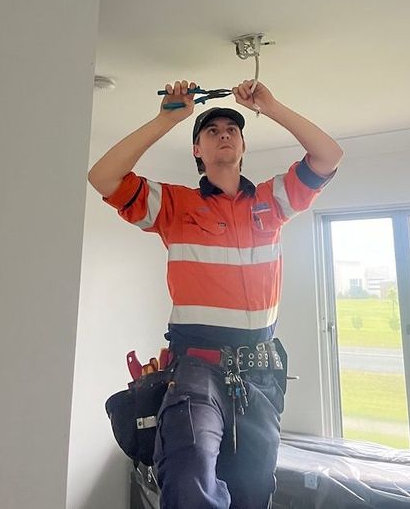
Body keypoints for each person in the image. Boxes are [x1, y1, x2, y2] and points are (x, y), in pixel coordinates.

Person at [88, 78, 343, 509]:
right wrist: (167, 118)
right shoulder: (176, 206)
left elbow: (328, 155)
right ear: (197, 152)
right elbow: (103, 176)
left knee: (251, 493)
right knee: (189, 480)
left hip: (259, 374)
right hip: (196, 369)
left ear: (242, 146)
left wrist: (273, 107)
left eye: (232, 129)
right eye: (211, 131)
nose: (223, 133)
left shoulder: (272, 201)